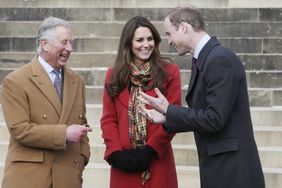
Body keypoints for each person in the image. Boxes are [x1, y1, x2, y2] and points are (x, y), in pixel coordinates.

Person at [139, 5, 265, 188]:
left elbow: (214, 118)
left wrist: (170, 110)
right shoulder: (206, 58)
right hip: (221, 168)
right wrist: (168, 117)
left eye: (169, 33)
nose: (169, 41)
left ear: (183, 27)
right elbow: (205, 114)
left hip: (232, 172)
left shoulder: (219, 59)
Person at [1, 17, 92, 188]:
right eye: (64, 42)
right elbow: (19, 130)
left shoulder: (77, 81)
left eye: (71, 43)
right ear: (44, 44)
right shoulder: (15, 81)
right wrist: (63, 134)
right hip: (30, 179)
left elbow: (82, 125)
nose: (70, 49)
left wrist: (82, 158)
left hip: (68, 178)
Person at [100, 16, 181, 188]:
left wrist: (150, 150)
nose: (146, 44)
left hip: (157, 160)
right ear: (128, 43)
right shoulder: (113, 75)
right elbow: (108, 119)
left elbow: (174, 116)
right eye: (139, 40)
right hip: (124, 163)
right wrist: (115, 154)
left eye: (150, 39)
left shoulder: (170, 72)